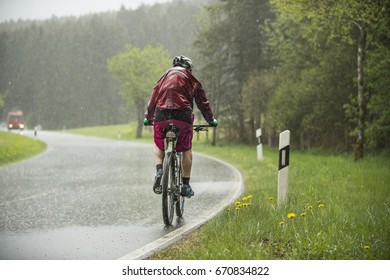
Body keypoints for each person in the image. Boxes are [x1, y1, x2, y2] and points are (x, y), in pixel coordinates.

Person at [144, 55, 218, 198]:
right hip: (182, 115)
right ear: (189, 68)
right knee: (186, 149)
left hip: (161, 115)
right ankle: (185, 185)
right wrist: (210, 120)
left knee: (159, 145)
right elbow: (203, 103)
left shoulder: (163, 77)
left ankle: (159, 170)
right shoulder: (191, 79)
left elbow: (153, 97)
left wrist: (148, 117)